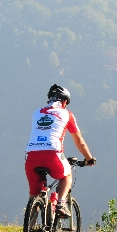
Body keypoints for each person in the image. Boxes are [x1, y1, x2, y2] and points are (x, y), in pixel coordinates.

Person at [25, 84, 96, 220]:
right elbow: (79, 142)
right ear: (64, 102)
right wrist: (89, 158)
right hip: (53, 154)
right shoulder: (67, 114)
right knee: (67, 174)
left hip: (31, 155)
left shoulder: (37, 112)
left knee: (35, 196)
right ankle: (60, 204)